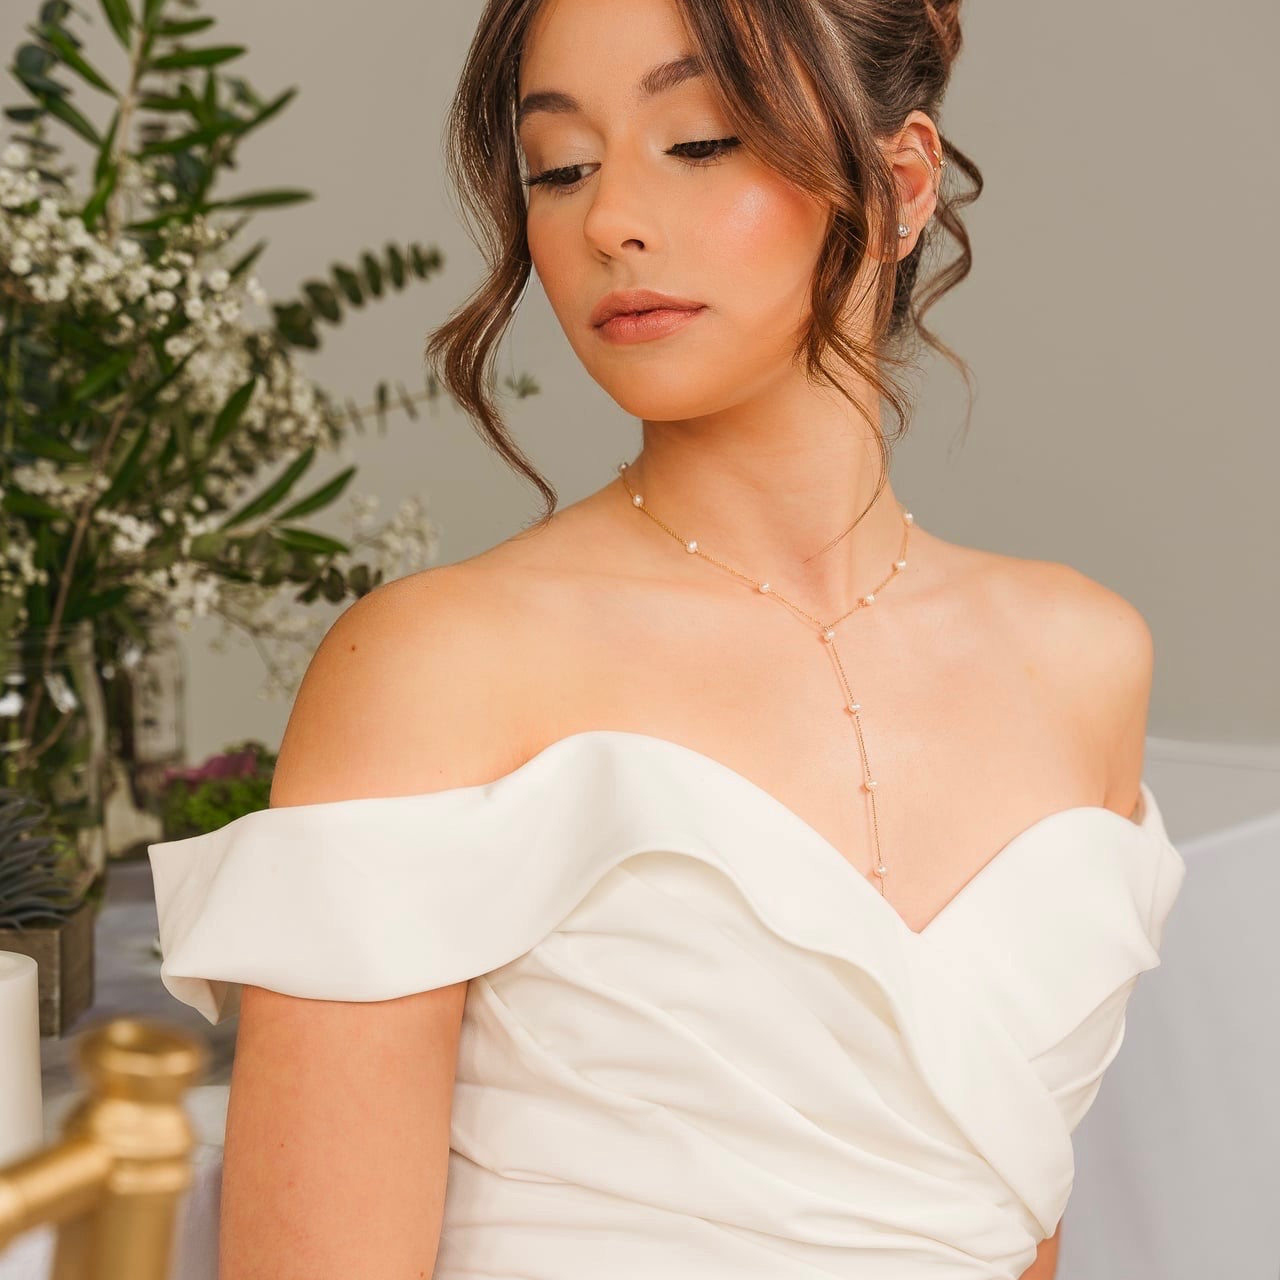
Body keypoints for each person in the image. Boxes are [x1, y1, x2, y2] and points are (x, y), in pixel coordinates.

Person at [147, 0, 1188, 1276]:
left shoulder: (1082, 660)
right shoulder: (437, 665)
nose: (609, 221)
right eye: (560, 167)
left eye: (696, 142)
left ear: (901, 182)